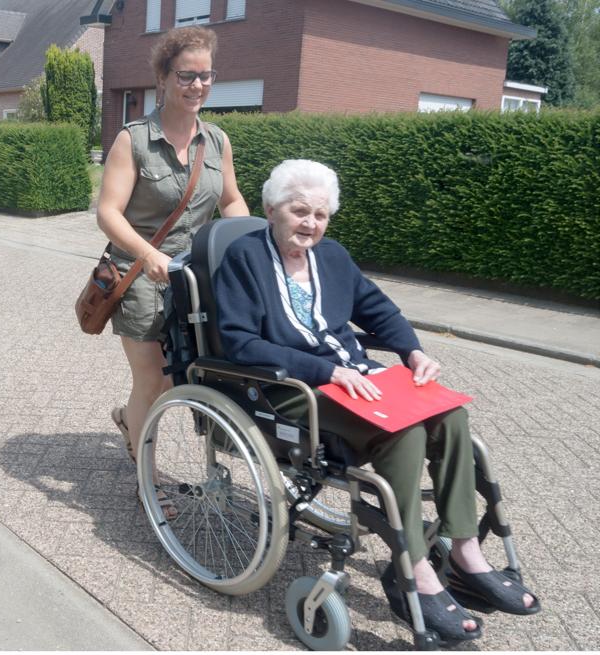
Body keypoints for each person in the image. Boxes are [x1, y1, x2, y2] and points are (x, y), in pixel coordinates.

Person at [213, 159, 540, 643]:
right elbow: (239, 341)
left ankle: (466, 552)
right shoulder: (245, 258)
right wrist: (326, 370)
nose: (310, 223)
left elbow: (379, 309)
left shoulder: (334, 257)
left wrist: (413, 352)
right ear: (270, 209)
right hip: (291, 389)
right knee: (402, 431)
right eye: (299, 211)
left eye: (320, 215)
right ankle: (415, 569)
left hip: (358, 378)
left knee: (449, 414)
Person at [95, 26, 249, 483]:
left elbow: (232, 200)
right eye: (186, 75)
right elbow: (108, 213)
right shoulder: (134, 139)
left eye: (206, 76)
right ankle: (148, 474)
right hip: (138, 272)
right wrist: (148, 254)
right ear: (163, 77)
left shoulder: (217, 141)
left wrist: (243, 244)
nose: (198, 85)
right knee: (152, 378)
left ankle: (129, 418)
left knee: (171, 379)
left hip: (192, 278)